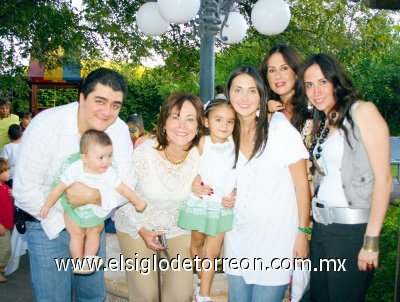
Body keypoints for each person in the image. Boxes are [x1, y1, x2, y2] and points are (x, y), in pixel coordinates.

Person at [13, 68, 135, 301]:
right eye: (100, 101)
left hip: (92, 220)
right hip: (46, 222)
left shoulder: (118, 130)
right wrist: (69, 221)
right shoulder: (47, 125)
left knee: (92, 296)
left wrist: (92, 197)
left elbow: (128, 184)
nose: (107, 112)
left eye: (115, 105)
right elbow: (24, 189)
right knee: (53, 297)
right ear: (82, 97)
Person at [194, 66, 311, 301]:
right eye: (238, 90)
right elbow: (203, 161)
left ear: (261, 95)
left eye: (251, 91)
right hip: (238, 236)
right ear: (229, 94)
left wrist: (303, 232)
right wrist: (196, 182)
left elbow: (301, 185)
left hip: (275, 239)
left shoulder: (278, 128)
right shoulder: (227, 131)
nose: (244, 98)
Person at [293, 53, 392, 301]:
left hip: (350, 232)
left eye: (323, 81)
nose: (316, 91)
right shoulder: (326, 121)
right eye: (309, 85)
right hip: (323, 230)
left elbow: (384, 180)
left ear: (337, 81)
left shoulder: (363, 112)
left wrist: (371, 241)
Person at [114, 92, 205, 302]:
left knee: (180, 295)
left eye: (190, 119)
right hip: (137, 225)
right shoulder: (143, 153)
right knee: (146, 295)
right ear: (164, 122)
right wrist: (142, 229)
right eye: (175, 117)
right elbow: (121, 195)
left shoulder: (201, 156)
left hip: (179, 228)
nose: (182, 125)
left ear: (199, 126)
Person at [39, 130, 146, 273]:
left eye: (109, 156)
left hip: (95, 209)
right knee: (77, 233)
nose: (107, 161)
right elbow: (59, 189)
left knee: (95, 231)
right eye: (101, 157)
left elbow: (124, 190)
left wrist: (137, 201)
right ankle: (78, 262)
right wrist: (47, 205)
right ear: (84, 158)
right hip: (73, 208)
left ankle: (89, 259)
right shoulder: (75, 169)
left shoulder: (108, 172)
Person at [178, 98, 238, 302]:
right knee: (196, 245)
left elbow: (240, 174)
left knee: (212, 253)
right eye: (219, 120)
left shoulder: (236, 145)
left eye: (230, 121)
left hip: (221, 205)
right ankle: (201, 277)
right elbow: (189, 167)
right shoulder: (203, 142)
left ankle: (204, 295)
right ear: (206, 121)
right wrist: (194, 180)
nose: (224, 125)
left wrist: (235, 192)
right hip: (201, 201)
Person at [260, 44, 312, 146]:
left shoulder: (314, 105)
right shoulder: (265, 111)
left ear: (296, 72)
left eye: (284, 68)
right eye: (272, 70)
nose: (277, 76)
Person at [0, 158, 13, 283]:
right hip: (2, 226)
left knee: (5, 248)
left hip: (7, 225)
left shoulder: (4, 187)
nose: (9, 172)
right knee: (5, 249)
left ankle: (2, 267)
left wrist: (12, 195)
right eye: (6, 170)